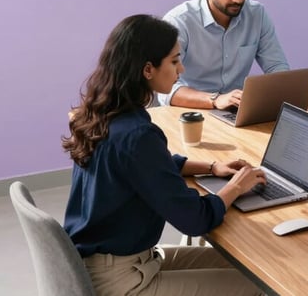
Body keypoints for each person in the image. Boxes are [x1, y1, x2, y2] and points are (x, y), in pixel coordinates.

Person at [62, 15, 266, 296]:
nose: (180, 68)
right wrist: (236, 187)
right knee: (254, 287)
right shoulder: (137, 135)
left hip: (107, 263)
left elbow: (148, 166)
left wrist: (211, 166)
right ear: (148, 69)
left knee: (248, 269)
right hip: (123, 281)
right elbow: (196, 220)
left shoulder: (102, 115)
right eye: (174, 61)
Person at [158, 0, 289, 109]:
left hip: (236, 111)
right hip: (189, 112)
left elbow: (277, 67)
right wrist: (215, 99)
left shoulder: (256, 14)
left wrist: (283, 90)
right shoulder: (179, 21)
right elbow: (164, 90)